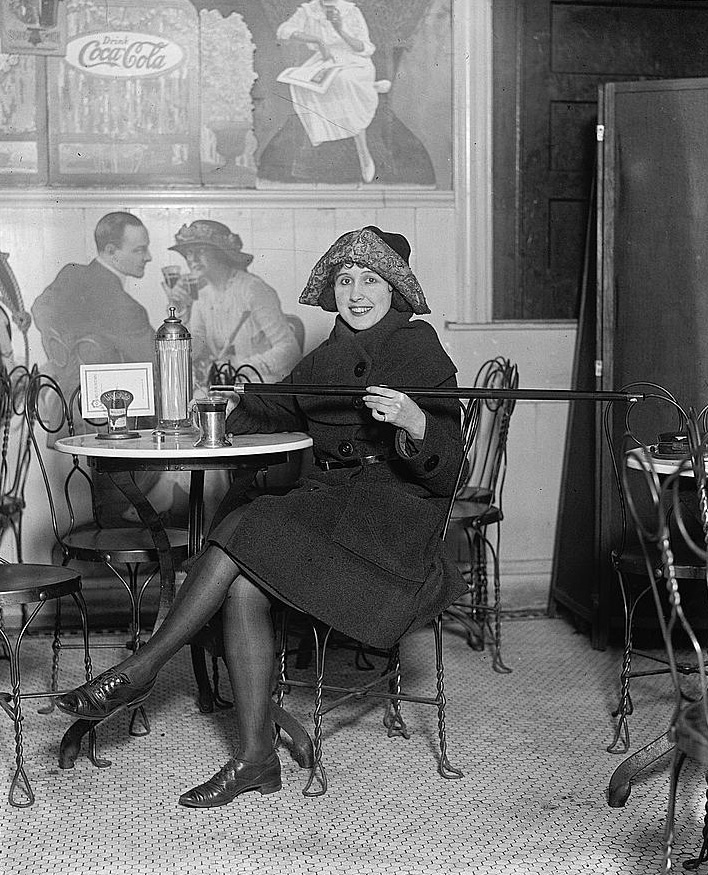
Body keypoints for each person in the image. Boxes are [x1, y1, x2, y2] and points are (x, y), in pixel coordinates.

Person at [56, 226, 468, 808]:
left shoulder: (417, 344)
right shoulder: (330, 351)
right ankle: (255, 760)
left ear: (393, 289)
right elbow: (283, 402)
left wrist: (415, 422)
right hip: (333, 508)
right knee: (244, 585)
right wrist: (234, 400)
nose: (355, 293)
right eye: (345, 280)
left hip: (391, 525)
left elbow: (451, 467)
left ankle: (143, 668)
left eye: (369, 280)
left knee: (239, 533)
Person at [31, 211, 185, 525]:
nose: (149, 257)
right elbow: (161, 366)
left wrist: (67, 359)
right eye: (139, 249)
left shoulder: (71, 274)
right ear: (111, 252)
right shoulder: (127, 309)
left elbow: (41, 309)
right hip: (107, 422)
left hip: (64, 408)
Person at [164, 220, 301, 392]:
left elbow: (289, 351)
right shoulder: (202, 296)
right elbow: (193, 351)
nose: (192, 259)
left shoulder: (252, 289)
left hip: (263, 386)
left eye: (200, 251)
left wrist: (237, 368)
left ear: (220, 253)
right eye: (189, 253)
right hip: (225, 387)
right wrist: (178, 311)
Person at [276, 0, 384, 183]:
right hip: (325, 60)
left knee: (343, 81)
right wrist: (316, 40)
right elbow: (284, 30)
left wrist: (340, 29)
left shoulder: (351, 11)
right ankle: (368, 91)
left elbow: (364, 48)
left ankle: (363, 152)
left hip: (354, 61)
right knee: (302, 85)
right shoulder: (308, 10)